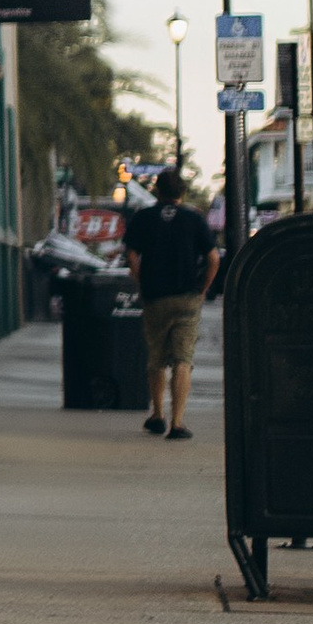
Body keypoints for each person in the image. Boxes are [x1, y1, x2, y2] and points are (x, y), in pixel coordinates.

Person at [127, 167, 218, 441]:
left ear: (157, 190)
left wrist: (142, 280)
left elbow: (132, 255)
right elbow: (213, 258)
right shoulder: (194, 218)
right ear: (182, 192)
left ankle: (157, 415)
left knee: (156, 357)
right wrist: (203, 288)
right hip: (187, 297)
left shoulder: (143, 217)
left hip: (155, 297)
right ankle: (177, 423)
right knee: (183, 359)